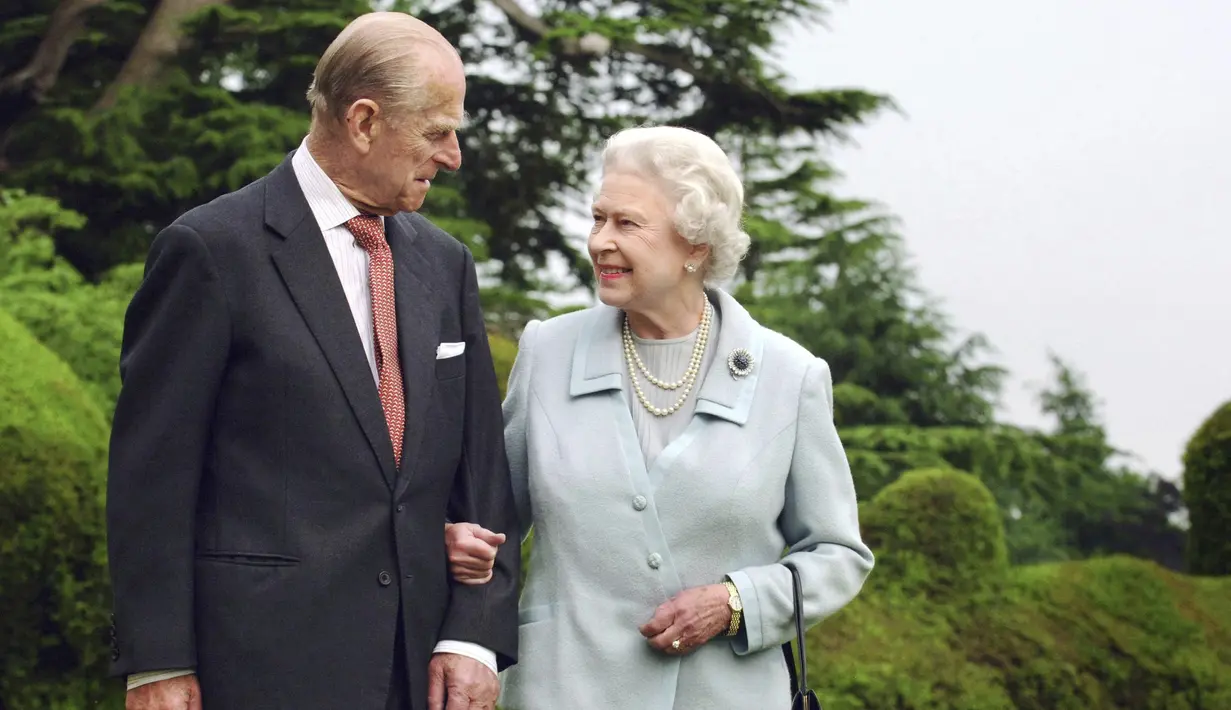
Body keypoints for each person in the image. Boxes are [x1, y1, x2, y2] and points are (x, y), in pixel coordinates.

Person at [105, 12, 519, 710]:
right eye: (436, 131)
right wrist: (157, 662)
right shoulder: (210, 251)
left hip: (417, 671)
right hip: (259, 667)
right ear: (363, 121)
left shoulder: (445, 265)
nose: (451, 156)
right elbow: (152, 475)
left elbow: (481, 477)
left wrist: (473, 637)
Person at [444, 125, 876, 709]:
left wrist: (738, 602)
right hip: (563, 689)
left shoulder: (789, 377)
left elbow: (837, 554)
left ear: (695, 245)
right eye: (598, 219)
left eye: (627, 224)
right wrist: (453, 541)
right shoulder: (547, 351)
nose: (600, 241)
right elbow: (489, 517)